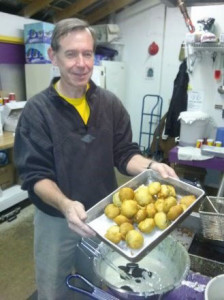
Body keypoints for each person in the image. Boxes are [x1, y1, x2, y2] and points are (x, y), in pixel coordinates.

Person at [14, 18, 177, 300]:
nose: (81, 63)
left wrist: (152, 166)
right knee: (54, 290)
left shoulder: (110, 104)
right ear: (53, 56)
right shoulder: (37, 111)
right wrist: (65, 204)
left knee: (95, 286)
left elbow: (125, 154)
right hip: (57, 220)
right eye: (71, 54)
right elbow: (35, 176)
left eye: (87, 53)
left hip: (105, 218)